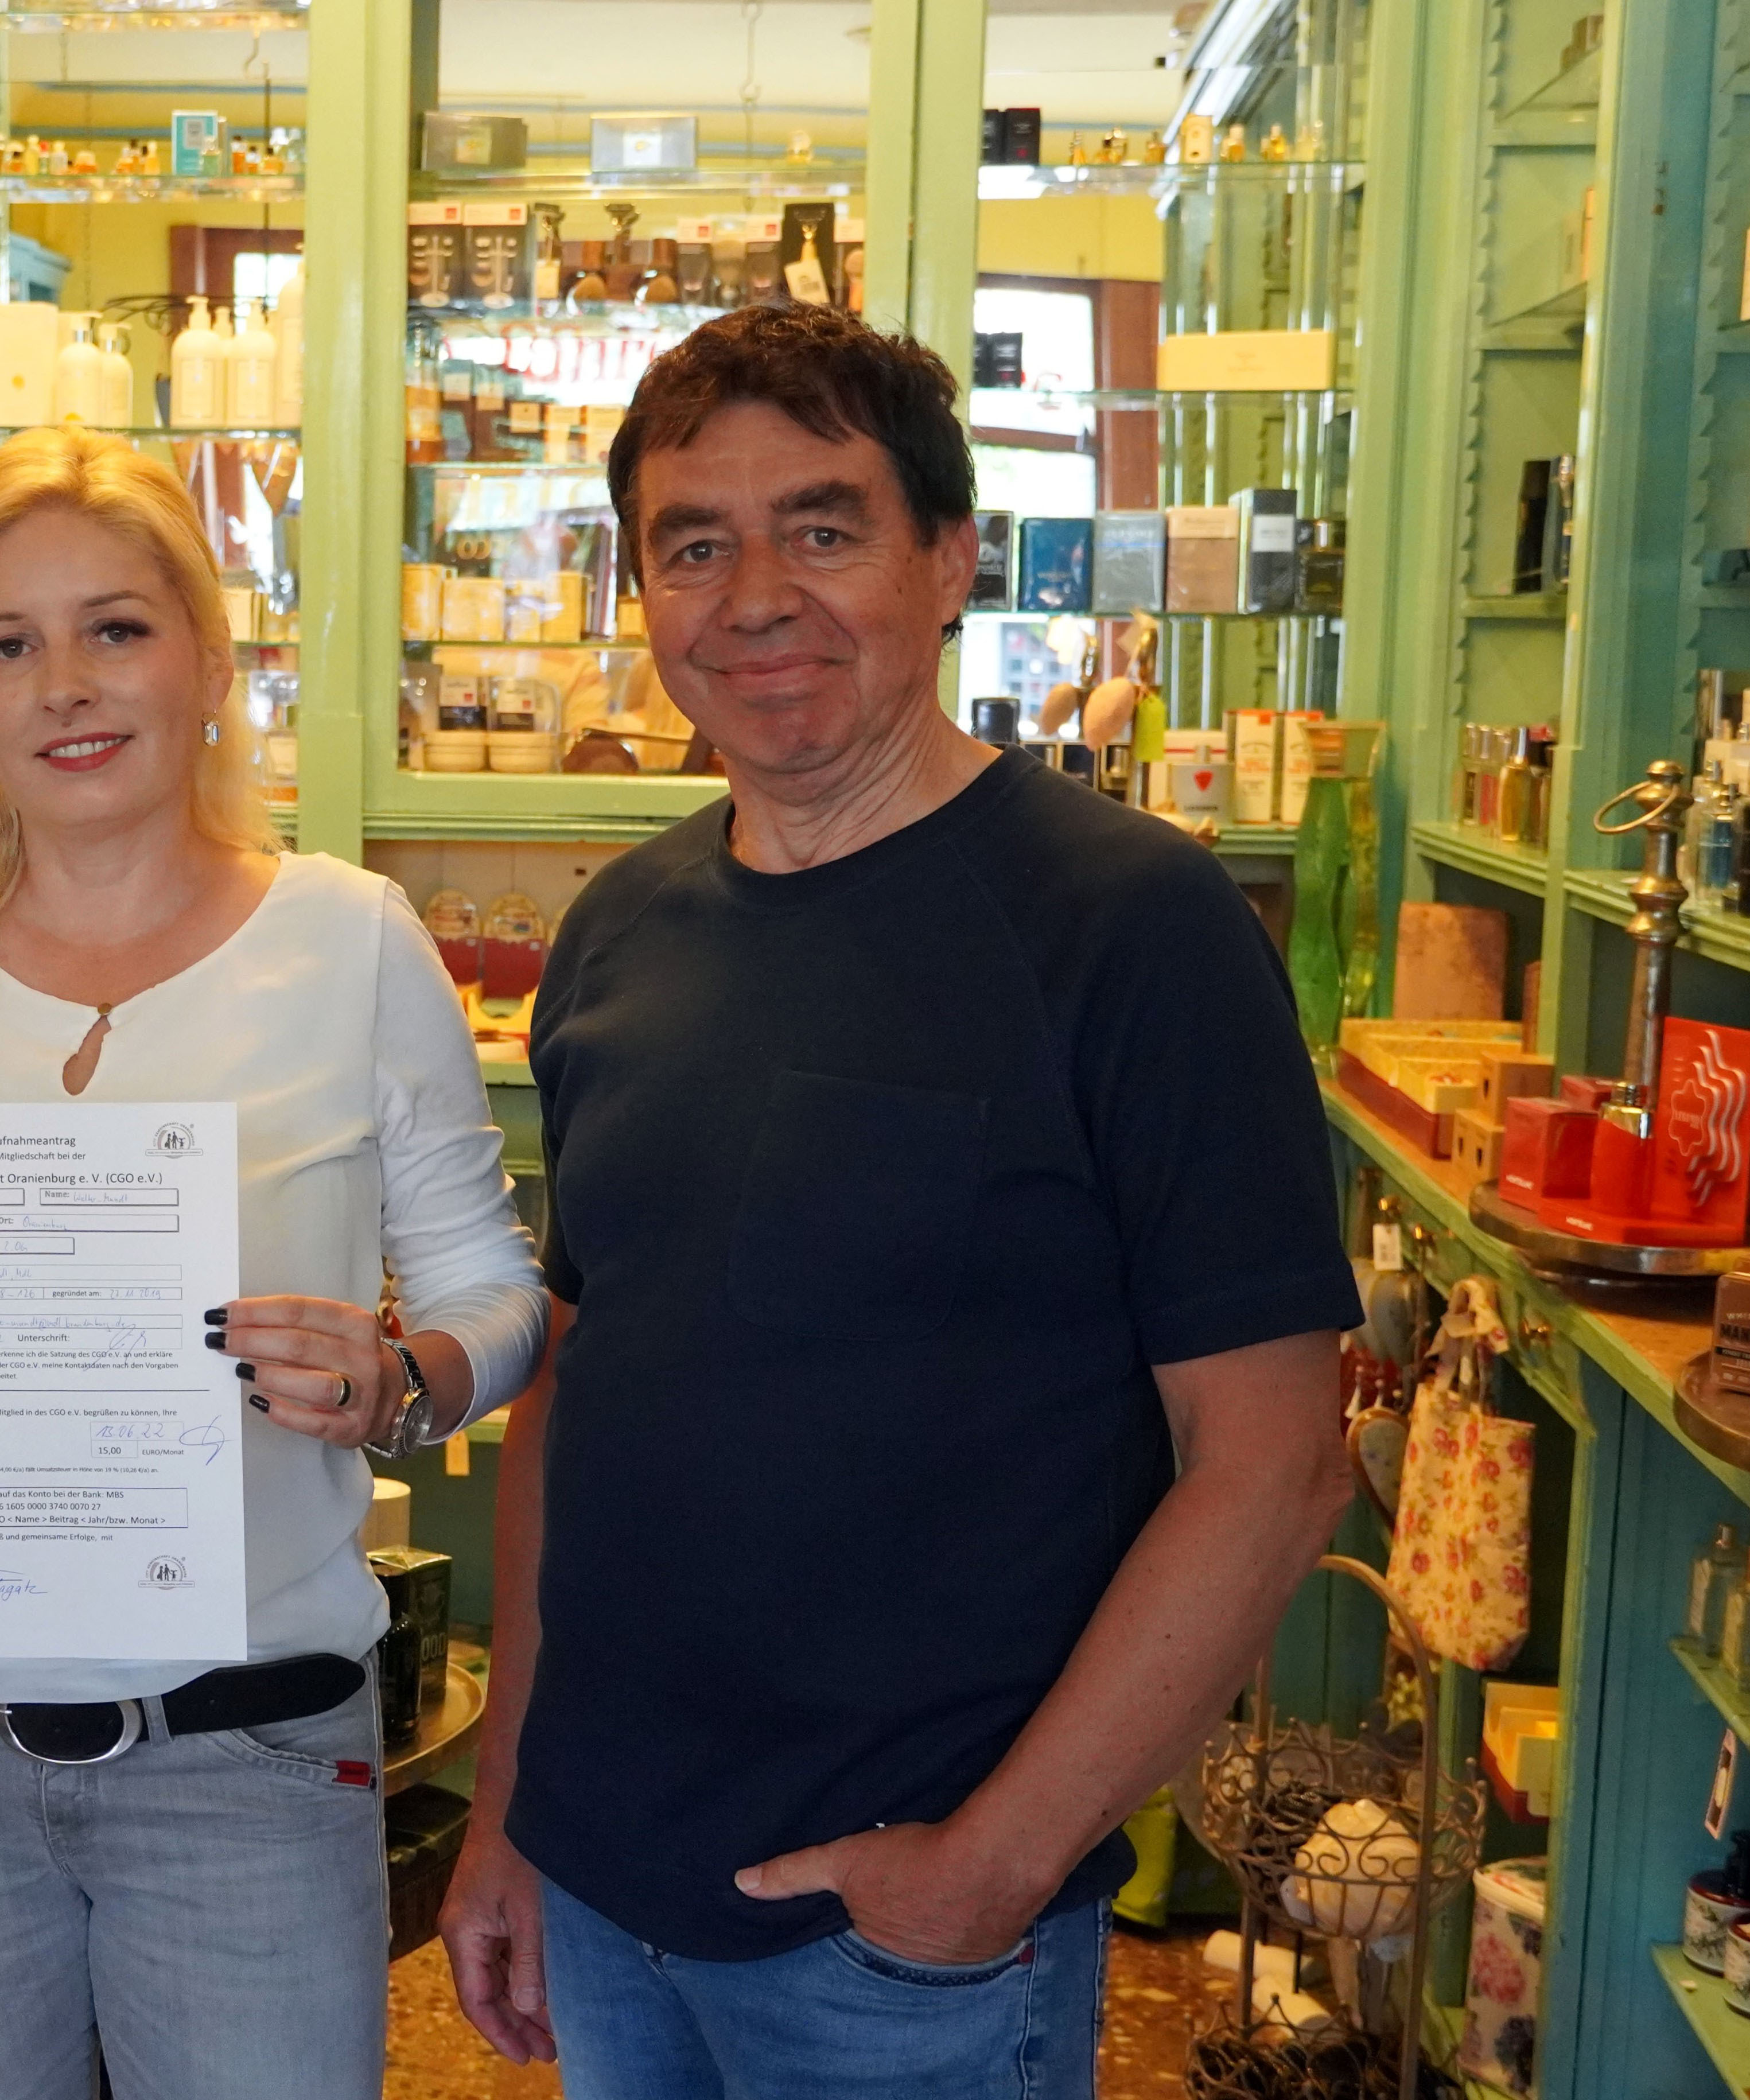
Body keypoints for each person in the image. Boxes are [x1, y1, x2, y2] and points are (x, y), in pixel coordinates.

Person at [437, 302, 1360, 2096]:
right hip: (609, 1888)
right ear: (641, 596)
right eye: (691, 546)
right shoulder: (617, 930)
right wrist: (511, 1813)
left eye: (824, 525)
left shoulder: (1129, 926)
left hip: (903, 1940)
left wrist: (986, 1870)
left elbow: (1276, 1460)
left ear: (947, 560)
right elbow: (576, 1403)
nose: (755, 593)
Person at [0, 426, 546, 2100]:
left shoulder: (346, 936)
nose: (64, 687)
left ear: (210, 656)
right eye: (8, 645)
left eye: (115, 628)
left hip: (239, 1745)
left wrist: (401, 1376)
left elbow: (496, 1292)